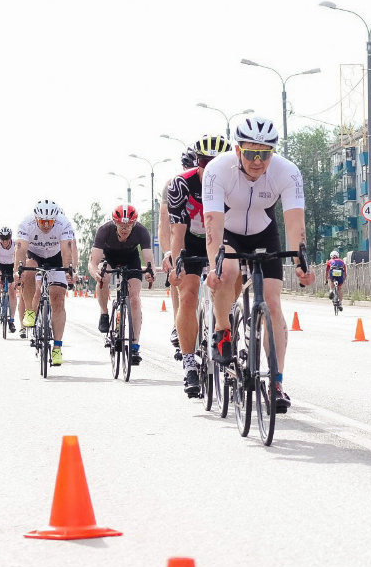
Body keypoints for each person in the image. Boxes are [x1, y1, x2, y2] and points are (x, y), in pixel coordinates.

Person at [203, 115, 316, 412]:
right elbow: (212, 223)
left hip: (264, 231)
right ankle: (223, 330)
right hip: (228, 231)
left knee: (274, 304)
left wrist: (302, 260)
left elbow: (294, 223)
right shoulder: (217, 170)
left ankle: (276, 382)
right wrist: (214, 266)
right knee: (227, 270)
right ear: (238, 150)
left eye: (264, 154)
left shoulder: (287, 172)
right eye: (251, 153)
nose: (257, 161)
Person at [163, 134, 231, 396]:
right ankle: (190, 362)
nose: (210, 167)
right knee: (188, 295)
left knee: (230, 288)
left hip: (223, 239)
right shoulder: (181, 184)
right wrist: (176, 262)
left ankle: (228, 340)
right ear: (197, 163)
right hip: (191, 240)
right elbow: (177, 233)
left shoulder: (233, 183)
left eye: (217, 161)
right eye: (204, 161)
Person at [89, 203, 156, 365]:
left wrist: (150, 273)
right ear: (114, 223)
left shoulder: (141, 231)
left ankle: (134, 345)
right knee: (103, 276)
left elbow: (148, 259)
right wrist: (96, 274)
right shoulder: (104, 230)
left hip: (130, 259)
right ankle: (104, 313)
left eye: (129, 225)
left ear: (134, 223)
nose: (125, 228)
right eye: (121, 225)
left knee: (134, 299)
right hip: (108, 257)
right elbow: (92, 263)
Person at [14, 199, 78, 365]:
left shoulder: (63, 224)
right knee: (28, 268)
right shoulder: (26, 223)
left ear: (55, 219)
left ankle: (57, 349)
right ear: (36, 218)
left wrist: (69, 270)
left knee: (58, 298)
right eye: (42, 221)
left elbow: (66, 250)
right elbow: (20, 250)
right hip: (34, 254)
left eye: (50, 221)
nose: (46, 225)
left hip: (56, 256)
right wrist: (17, 271)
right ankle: (29, 310)